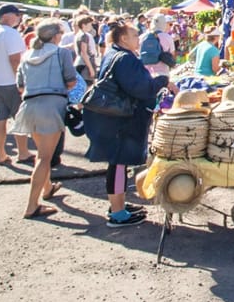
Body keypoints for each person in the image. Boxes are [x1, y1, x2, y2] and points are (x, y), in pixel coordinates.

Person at [83, 19, 172, 227]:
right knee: (118, 164)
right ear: (123, 38)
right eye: (134, 36)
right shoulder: (124, 58)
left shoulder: (114, 54)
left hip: (113, 119)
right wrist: (162, 81)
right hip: (118, 121)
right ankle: (117, 213)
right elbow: (141, 88)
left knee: (118, 165)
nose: (138, 39)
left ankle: (118, 204)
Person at [14, 20, 77, 220]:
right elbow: (71, 80)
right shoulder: (62, 53)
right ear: (56, 35)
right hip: (52, 106)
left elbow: (20, 85)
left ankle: (47, 188)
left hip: (29, 105)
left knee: (43, 153)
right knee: (44, 158)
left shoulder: (27, 56)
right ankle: (32, 205)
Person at [0, 4, 34, 165]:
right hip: (10, 82)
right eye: (16, 15)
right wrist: (22, 82)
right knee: (19, 118)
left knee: (0, 118)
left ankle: (1, 154)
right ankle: (23, 152)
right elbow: (15, 60)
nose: (18, 18)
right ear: (7, 16)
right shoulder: (11, 34)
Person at [71, 15, 99, 81]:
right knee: (87, 86)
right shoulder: (84, 36)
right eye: (90, 24)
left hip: (80, 62)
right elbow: (84, 53)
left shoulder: (78, 35)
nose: (91, 26)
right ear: (83, 25)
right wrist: (91, 68)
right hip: (85, 64)